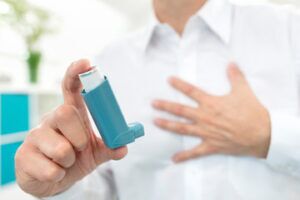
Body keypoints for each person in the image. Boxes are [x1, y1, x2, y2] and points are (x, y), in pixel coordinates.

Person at [15, 0, 300, 199]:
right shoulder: (107, 62)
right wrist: (63, 186)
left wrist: (271, 136)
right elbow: (103, 189)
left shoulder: (290, 29)